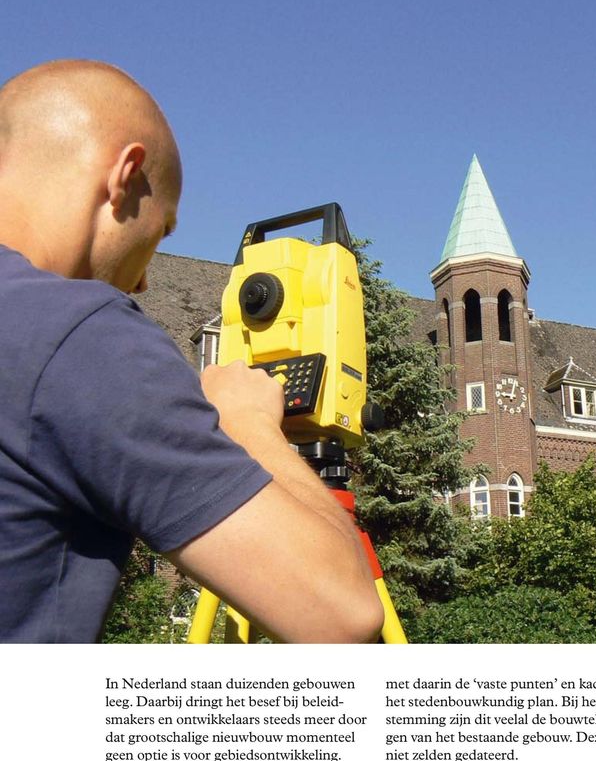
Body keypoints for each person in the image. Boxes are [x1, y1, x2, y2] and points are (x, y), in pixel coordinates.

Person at [0, 59, 384, 644]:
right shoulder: (78, 333)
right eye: (161, 231)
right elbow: (342, 614)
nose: (144, 283)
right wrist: (248, 423)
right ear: (123, 178)